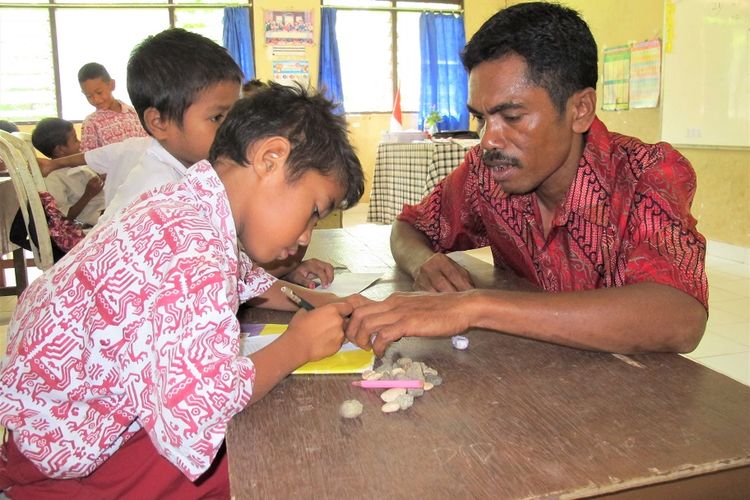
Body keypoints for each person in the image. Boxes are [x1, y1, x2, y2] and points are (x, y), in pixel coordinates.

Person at [0, 82, 365, 497]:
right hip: (71, 461)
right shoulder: (191, 245)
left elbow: (244, 279)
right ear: (270, 158)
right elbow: (202, 404)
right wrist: (298, 345)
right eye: (313, 212)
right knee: (271, 461)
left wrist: (327, 301)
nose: (305, 238)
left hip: (50, 422)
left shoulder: (180, 208)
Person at [345, 2, 708, 357]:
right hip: (530, 381)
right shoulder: (486, 174)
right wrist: (423, 262)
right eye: (481, 118)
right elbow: (409, 227)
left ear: (580, 110)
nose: (488, 139)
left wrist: (476, 307)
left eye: (513, 116)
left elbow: (681, 317)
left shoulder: (646, 172)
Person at [39, 29, 333, 287]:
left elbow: (231, 272)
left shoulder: (196, 174)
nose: (231, 127)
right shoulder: (161, 192)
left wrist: (282, 276)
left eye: (234, 113)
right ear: (159, 123)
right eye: (217, 116)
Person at [31, 117, 104, 227]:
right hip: (90, 225)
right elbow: (62, 218)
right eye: (75, 140)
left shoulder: (77, 164)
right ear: (59, 150)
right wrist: (87, 195)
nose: (80, 143)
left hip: (105, 212)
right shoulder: (53, 178)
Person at [78, 61, 147, 151]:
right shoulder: (91, 123)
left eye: (99, 92)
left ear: (111, 85)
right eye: (89, 96)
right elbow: (88, 157)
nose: (96, 99)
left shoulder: (133, 113)